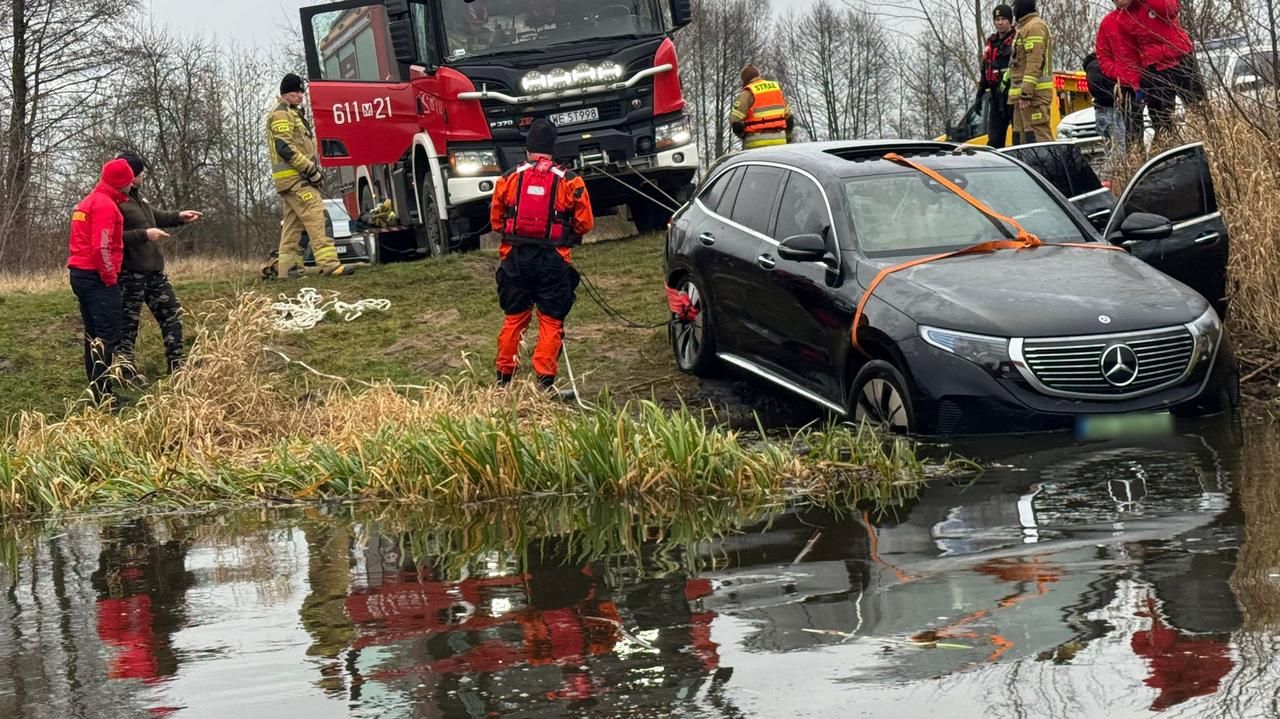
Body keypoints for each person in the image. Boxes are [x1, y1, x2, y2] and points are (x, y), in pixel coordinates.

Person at [490, 119, 593, 390]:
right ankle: (545, 383)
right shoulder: (571, 181)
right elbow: (585, 223)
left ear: (528, 148)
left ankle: (503, 380)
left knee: (515, 318)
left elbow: (496, 222)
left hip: (515, 259)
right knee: (550, 320)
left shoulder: (507, 179)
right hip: (553, 261)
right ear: (552, 148)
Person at [115, 153, 202, 379]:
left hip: (154, 272)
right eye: (140, 172)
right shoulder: (115, 202)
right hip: (130, 274)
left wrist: (179, 217)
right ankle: (125, 372)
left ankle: (177, 366)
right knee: (128, 326)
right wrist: (144, 235)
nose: (143, 175)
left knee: (172, 315)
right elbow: (114, 237)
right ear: (130, 175)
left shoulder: (139, 199)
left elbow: (155, 217)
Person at [263, 73, 353, 279]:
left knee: (293, 228)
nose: (301, 96)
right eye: (298, 92)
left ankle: (287, 270)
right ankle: (330, 266)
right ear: (287, 93)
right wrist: (310, 170)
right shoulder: (281, 114)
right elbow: (284, 147)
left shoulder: (291, 113)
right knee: (319, 217)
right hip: (296, 180)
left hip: (293, 181)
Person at [68, 158, 134, 404]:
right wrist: (110, 278)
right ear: (122, 183)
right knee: (107, 334)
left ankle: (98, 390)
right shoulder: (106, 206)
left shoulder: (88, 201)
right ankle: (103, 396)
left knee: (93, 334)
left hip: (80, 273)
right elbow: (101, 247)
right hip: (96, 277)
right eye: (128, 180)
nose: (131, 184)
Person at [1114, 0, 1204, 144]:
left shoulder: (1152, 4)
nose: (1117, 1)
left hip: (1180, 59)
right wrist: (1136, 83)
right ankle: (1170, 152)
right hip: (1153, 69)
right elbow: (1129, 55)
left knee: (1199, 108)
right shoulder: (1123, 19)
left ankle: (1209, 143)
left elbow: (1171, 9)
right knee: (1161, 120)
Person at [1096, 0, 1147, 154]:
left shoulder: (1143, 13)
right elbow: (1102, 54)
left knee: (1162, 121)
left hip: (1151, 79)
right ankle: (1137, 164)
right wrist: (1118, 73)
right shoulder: (1107, 23)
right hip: (1126, 86)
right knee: (1132, 132)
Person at [1007, 0, 1054, 145]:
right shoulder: (1025, 27)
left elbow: (1034, 63)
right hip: (1022, 99)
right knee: (1022, 141)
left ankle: (1048, 169)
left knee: (1038, 140)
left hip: (1033, 97)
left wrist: (1026, 93)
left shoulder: (1035, 27)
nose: (1014, 10)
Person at [977, 5, 1017, 148]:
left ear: (1010, 21)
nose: (1000, 23)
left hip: (1012, 95)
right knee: (994, 141)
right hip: (996, 97)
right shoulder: (991, 43)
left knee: (1017, 138)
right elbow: (985, 69)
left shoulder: (1017, 39)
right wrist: (980, 93)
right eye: (997, 19)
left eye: (1003, 19)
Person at [731, 64, 794, 149]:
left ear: (745, 80)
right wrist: (788, 139)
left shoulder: (747, 93)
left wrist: (744, 136)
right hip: (780, 141)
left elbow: (735, 122)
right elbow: (789, 119)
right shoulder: (776, 89)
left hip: (756, 143)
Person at [1084, 53, 1126, 171]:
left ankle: (1116, 174)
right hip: (1107, 111)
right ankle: (1114, 175)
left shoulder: (1106, 63)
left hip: (1113, 110)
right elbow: (1096, 89)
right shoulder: (1095, 66)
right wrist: (1117, 96)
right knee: (1116, 148)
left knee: (1118, 146)